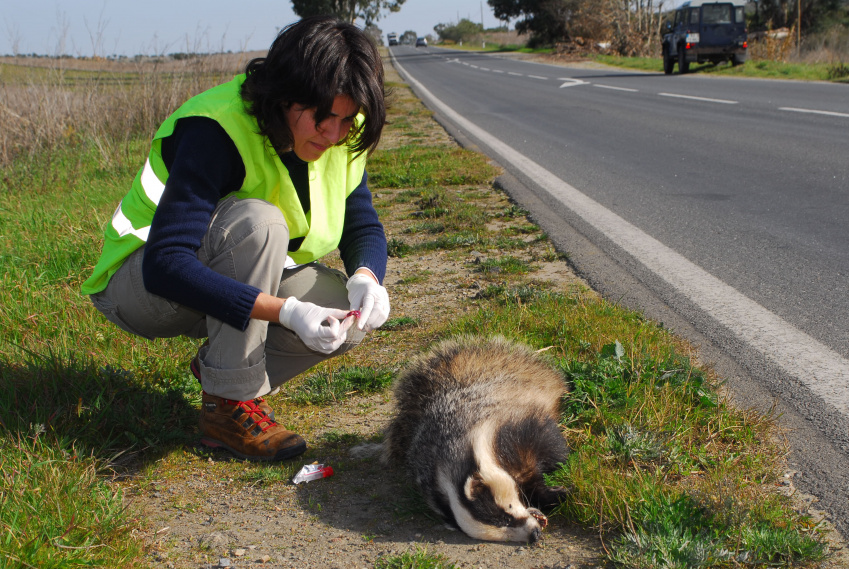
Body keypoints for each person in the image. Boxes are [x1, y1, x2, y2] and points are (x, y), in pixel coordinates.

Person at [81, 16, 390, 462]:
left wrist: (367, 277)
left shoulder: (340, 127)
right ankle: (228, 407)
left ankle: (221, 371)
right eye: (324, 118)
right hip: (140, 287)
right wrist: (286, 311)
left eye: (346, 120)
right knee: (258, 223)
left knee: (343, 314)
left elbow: (362, 225)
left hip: (216, 278)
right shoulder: (216, 129)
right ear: (286, 95)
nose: (334, 134)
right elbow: (166, 264)